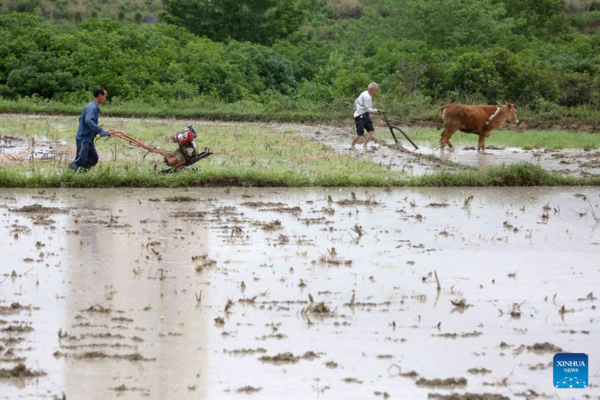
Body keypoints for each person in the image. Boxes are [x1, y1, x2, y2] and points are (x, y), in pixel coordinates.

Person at [68, 87, 113, 172]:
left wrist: (92, 130)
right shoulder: (92, 107)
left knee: (93, 158)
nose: (105, 98)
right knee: (80, 159)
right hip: (84, 138)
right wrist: (99, 130)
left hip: (88, 138)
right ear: (100, 95)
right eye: (105, 96)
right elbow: (88, 120)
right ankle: (67, 176)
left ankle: (81, 175)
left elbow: (81, 119)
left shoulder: (92, 106)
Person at [351, 82, 384, 150]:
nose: (376, 92)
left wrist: (356, 109)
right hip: (360, 116)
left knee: (371, 130)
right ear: (371, 89)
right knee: (360, 133)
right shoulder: (366, 96)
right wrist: (377, 110)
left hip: (365, 114)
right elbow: (367, 109)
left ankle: (364, 145)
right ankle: (352, 146)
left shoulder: (365, 93)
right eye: (376, 90)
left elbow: (356, 102)